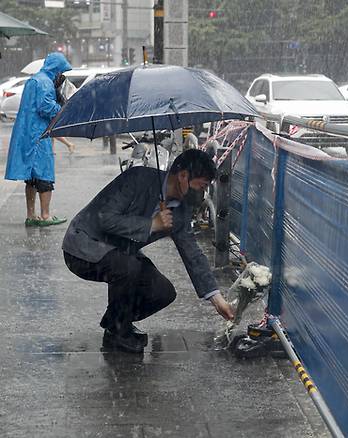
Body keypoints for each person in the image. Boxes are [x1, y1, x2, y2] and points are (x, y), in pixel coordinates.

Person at [62, 149, 235, 353]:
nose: (203, 193)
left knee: (162, 292)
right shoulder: (137, 179)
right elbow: (104, 218)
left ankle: (115, 322)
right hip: (83, 246)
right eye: (202, 185)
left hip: (120, 252)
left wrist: (216, 299)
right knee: (129, 268)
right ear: (183, 176)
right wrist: (150, 225)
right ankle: (118, 332)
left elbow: (192, 253)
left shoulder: (180, 210)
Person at [4, 52, 72, 227]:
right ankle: (46, 215)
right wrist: (62, 107)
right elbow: (46, 108)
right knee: (45, 175)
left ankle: (31, 215)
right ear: (56, 69)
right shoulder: (45, 83)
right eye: (61, 70)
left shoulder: (33, 80)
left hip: (27, 133)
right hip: (39, 135)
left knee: (31, 178)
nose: (61, 74)